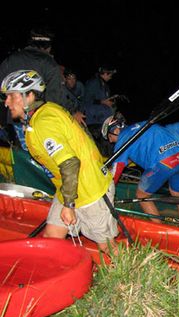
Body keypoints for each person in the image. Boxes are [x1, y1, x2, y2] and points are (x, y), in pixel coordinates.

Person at [1, 70, 118, 254]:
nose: (6, 102)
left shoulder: (44, 122)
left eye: (11, 96)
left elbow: (70, 163)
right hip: (68, 188)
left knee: (107, 247)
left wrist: (68, 205)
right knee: (51, 238)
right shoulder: (45, 112)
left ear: (29, 95)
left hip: (89, 190)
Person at [0, 27, 86, 147]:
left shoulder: (10, 60)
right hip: (39, 122)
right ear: (48, 46)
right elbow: (56, 97)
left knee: (21, 158)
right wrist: (72, 112)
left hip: (13, 120)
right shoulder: (49, 63)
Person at [102, 113, 179, 222]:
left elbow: (115, 174)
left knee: (142, 195)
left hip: (163, 163)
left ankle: (161, 231)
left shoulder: (122, 140)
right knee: (178, 196)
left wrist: (105, 191)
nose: (111, 141)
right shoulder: (144, 124)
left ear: (116, 130)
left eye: (109, 137)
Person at [83, 65, 118, 144]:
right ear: (105, 73)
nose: (111, 77)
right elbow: (86, 100)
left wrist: (111, 102)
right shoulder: (93, 83)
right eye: (110, 75)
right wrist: (102, 102)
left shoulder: (105, 86)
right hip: (94, 121)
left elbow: (106, 100)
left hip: (104, 120)